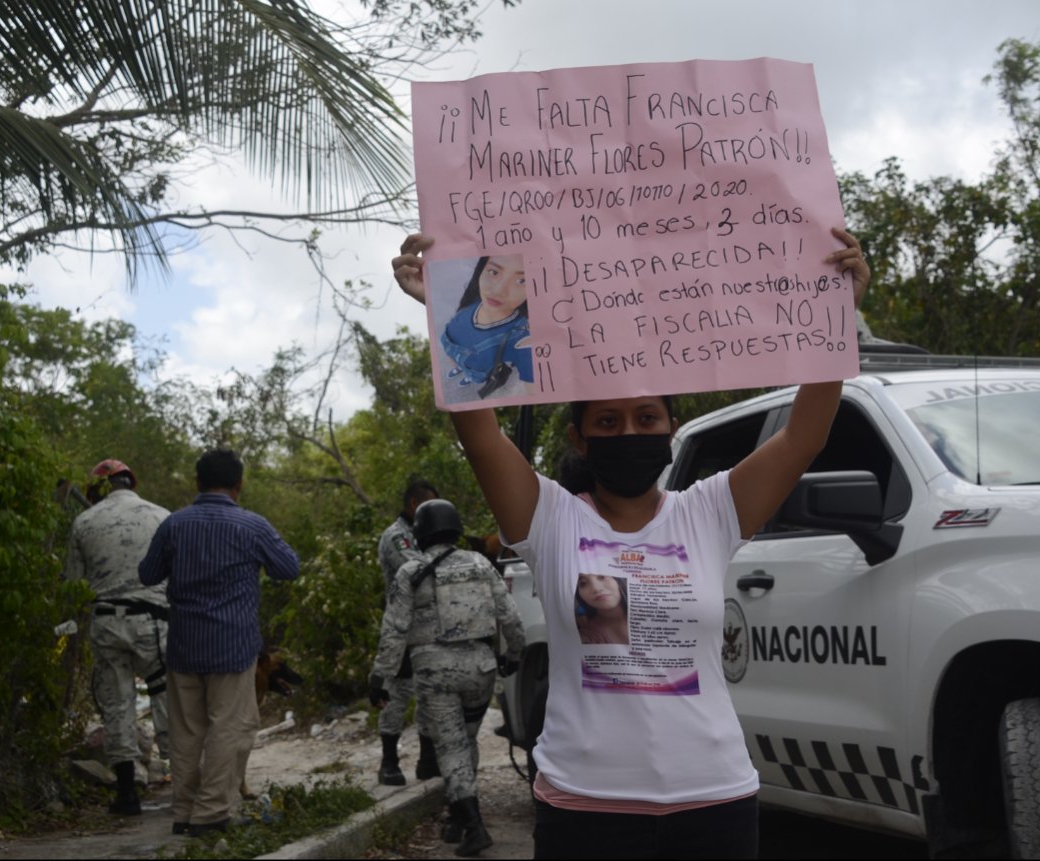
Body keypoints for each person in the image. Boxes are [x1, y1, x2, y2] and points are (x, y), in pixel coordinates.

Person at [392, 227, 870, 859]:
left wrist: (839, 312)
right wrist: (440, 300)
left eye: (647, 418)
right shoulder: (551, 518)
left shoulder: (711, 510)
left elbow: (804, 434)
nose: (630, 431)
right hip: (584, 809)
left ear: (671, 428)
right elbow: (478, 429)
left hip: (716, 804)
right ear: (581, 439)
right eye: (608, 422)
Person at [138, 448, 300, 837]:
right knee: (229, 727)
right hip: (233, 646)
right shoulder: (253, 526)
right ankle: (211, 813)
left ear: (197, 482)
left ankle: (184, 811)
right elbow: (288, 568)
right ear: (239, 485)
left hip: (184, 645)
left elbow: (147, 575)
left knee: (186, 732)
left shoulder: (174, 524)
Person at [369, 499, 525, 858]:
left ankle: (474, 826)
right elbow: (511, 618)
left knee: (451, 746)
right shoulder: (481, 563)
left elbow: (393, 632)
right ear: (456, 528)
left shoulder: (411, 573)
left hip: (435, 674)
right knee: (466, 742)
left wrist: (379, 678)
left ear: (420, 533)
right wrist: (513, 656)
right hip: (480, 670)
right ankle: (458, 817)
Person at [63, 458, 172, 816]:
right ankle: (186, 784)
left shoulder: (84, 521)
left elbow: (74, 586)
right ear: (131, 482)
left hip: (106, 622)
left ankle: (127, 794)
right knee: (166, 696)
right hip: (153, 623)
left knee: (118, 704)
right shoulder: (162, 516)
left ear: (97, 489)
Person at [375, 478, 443, 786]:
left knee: (430, 692)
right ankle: (389, 761)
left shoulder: (425, 535)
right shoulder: (396, 537)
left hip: (429, 627)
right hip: (402, 628)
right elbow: (419, 570)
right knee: (397, 693)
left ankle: (427, 760)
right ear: (415, 504)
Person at [439, 253, 532, 400]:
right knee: (457, 365)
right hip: (454, 354)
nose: (498, 290)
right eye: (494, 272)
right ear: (481, 270)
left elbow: (534, 389)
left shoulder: (520, 337)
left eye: (521, 280)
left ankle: (468, 377)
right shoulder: (474, 300)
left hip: (475, 372)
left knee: (471, 375)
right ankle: (458, 368)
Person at [574, 574, 629, 645]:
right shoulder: (586, 637)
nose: (596, 588)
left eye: (602, 577)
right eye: (583, 583)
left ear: (618, 580)